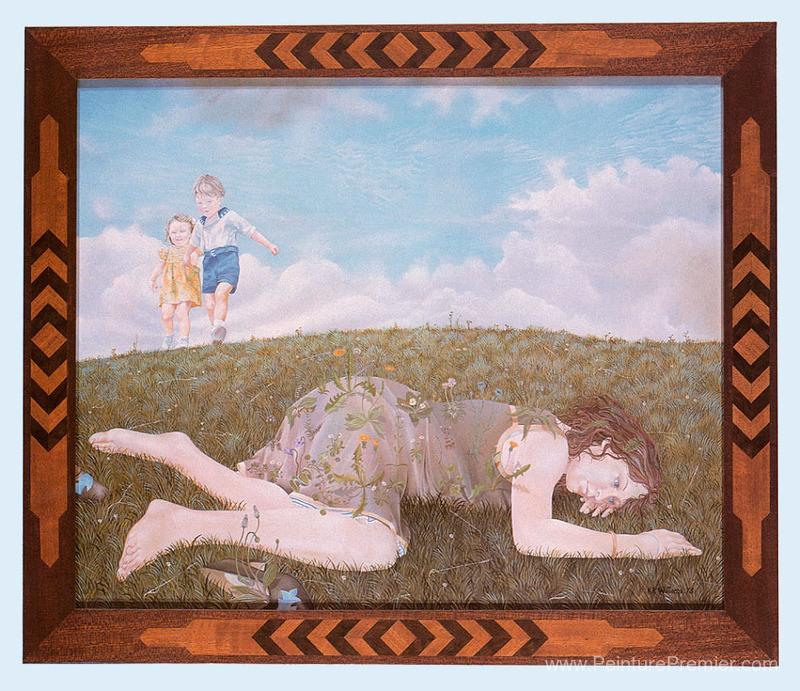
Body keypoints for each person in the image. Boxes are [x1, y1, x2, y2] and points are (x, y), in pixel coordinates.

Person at [89, 377, 701, 581]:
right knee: (372, 546)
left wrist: (606, 506)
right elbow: (533, 537)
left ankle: (182, 456)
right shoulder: (548, 449)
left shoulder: (549, 436)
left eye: (619, 500)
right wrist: (637, 544)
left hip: (374, 419)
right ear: (601, 446)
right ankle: (187, 524)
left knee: (293, 507)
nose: (606, 497)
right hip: (377, 436)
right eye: (615, 478)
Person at [183, 174, 279, 345]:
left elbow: (250, 231)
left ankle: (219, 325)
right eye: (200, 203)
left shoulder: (229, 217)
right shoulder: (200, 224)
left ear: (219, 198)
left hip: (227, 260)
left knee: (221, 293)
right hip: (209, 263)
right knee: (209, 303)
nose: (204, 207)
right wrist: (186, 255)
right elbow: (193, 242)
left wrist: (269, 244)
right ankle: (216, 333)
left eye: (209, 201)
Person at [148, 214, 202, 350]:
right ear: (168, 234)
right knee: (166, 315)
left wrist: (189, 256)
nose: (178, 235)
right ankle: (168, 336)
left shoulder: (193, 249)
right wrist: (152, 279)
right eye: (174, 232)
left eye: (182, 231)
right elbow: (160, 266)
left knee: (182, 313)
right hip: (169, 287)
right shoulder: (167, 251)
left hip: (186, 285)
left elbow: (194, 262)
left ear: (191, 233)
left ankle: (183, 340)